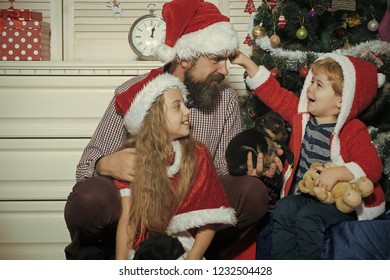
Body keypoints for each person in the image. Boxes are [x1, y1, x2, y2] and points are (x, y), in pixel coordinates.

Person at [64, 0, 276, 260]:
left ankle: (199, 256)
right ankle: (105, 257)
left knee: (253, 193)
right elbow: (84, 166)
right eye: (216, 60)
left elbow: (222, 170)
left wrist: (249, 168)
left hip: (196, 205)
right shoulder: (134, 94)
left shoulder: (225, 98)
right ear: (186, 58)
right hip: (142, 201)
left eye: (227, 60)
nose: (224, 70)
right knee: (89, 197)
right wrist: (105, 164)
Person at [230, 51, 386, 259]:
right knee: (284, 207)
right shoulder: (302, 117)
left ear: (342, 100)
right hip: (306, 195)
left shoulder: (353, 129)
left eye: (318, 85)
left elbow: (373, 167)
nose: (309, 88)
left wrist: (340, 172)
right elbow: (275, 95)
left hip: (339, 200)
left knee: (307, 218)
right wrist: (247, 63)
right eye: (311, 82)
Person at [113, 69, 236, 260]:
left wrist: (192, 259)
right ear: (154, 117)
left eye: (185, 105)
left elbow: (209, 217)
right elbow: (128, 220)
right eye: (177, 106)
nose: (188, 111)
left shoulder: (198, 154)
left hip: (183, 248)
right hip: (143, 249)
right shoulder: (133, 158)